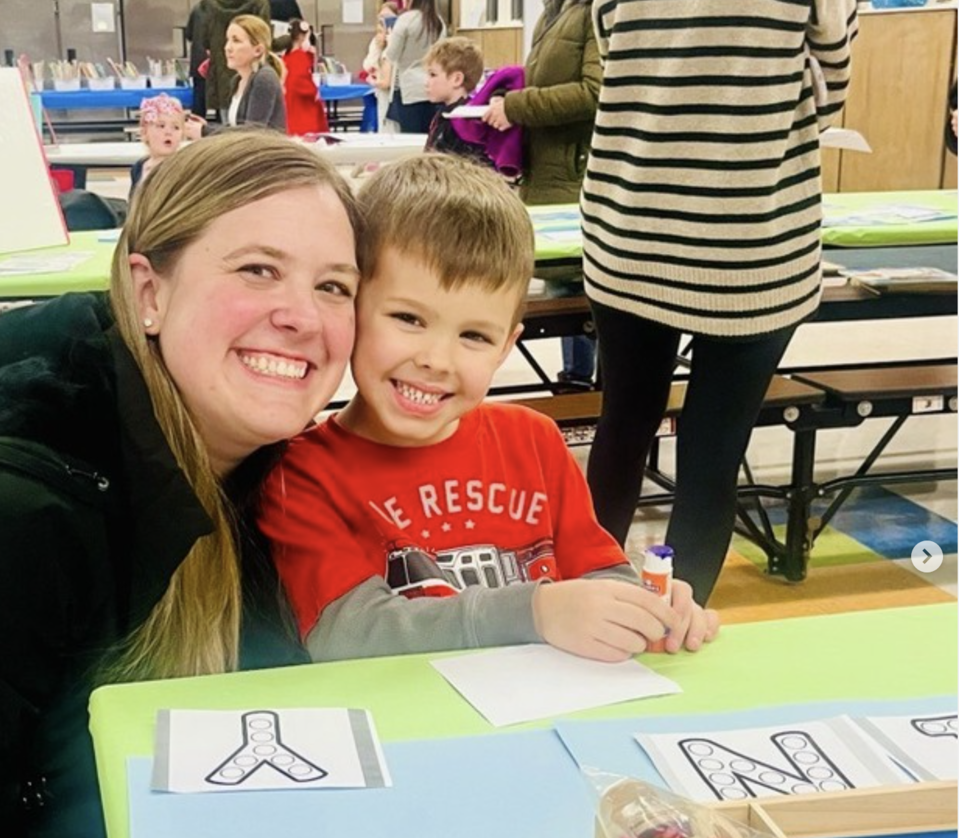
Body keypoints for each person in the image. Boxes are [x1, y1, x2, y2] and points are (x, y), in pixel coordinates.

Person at [0, 131, 361, 838]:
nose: (303, 315)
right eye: (256, 270)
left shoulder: (271, 476)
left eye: (333, 287)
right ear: (148, 290)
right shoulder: (4, 521)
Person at [259, 155, 718, 663]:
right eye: (408, 318)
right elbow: (348, 633)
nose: (435, 360)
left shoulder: (534, 440)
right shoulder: (298, 473)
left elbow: (598, 570)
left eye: (474, 335)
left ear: (506, 346)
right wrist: (536, 612)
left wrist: (647, 606)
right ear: (351, 307)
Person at [582, 0, 858, 606]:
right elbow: (829, 91)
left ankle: (589, 606)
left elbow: (612, 51)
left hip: (632, 226)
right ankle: (676, 618)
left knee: (623, 427)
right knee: (712, 455)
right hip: (752, 239)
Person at [481, 0, 600, 391]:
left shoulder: (592, 11)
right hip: (548, 171)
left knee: (575, 281)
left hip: (576, 172)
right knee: (563, 280)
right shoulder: (556, 12)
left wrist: (516, 106)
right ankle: (577, 380)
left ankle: (584, 385)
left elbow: (596, 92)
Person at [423, 37, 492, 167]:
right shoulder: (445, 114)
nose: (426, 82)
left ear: (456, 79)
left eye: (433, 75)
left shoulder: (465, 122)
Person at [384, 0, 446, 134]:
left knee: (411, 138)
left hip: (409, 89)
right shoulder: (438, 21)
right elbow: (442, 54)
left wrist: (389, 40)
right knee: (430, 137)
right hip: (433, 87)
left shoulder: (406, 20)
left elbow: (392, 54)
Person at [200, 0, 270, 114]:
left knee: (228, 121)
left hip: (220, 80)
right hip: (249, 73)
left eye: (236, 40)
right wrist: (290, 38)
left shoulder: (209, 5)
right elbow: (267, 40)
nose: (228, 47)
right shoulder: (259, 4)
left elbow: (204, 40)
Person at [130, 93, 187, 192]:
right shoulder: (139, 167)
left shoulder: (183, 169)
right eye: (161, 126)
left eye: (176, 127)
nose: (169, 132)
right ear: (144, 132)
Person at [281, 18, 328, 135]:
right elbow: (299, 79)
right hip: (302, 107)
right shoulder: (299, 57)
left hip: (290, 103)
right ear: (302, 37)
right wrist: (314, 91)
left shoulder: (286, 57)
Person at [362, 2, 399, 133]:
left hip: (394, 94)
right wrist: (378, 46)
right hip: (380, 94)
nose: (383, 21)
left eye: (388, 17)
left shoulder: (397, 42)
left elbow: (387, 80)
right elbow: (368, 64)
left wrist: (390, 44)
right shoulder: (376, 42)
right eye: (381, 17)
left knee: (391, 127)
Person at [184, 0, 209, 117]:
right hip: (218, 65)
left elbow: (188, 34)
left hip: (199, 62)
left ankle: (196, 133)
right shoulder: (225, 11)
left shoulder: (198, 8)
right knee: (222, 105)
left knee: (199, 103)